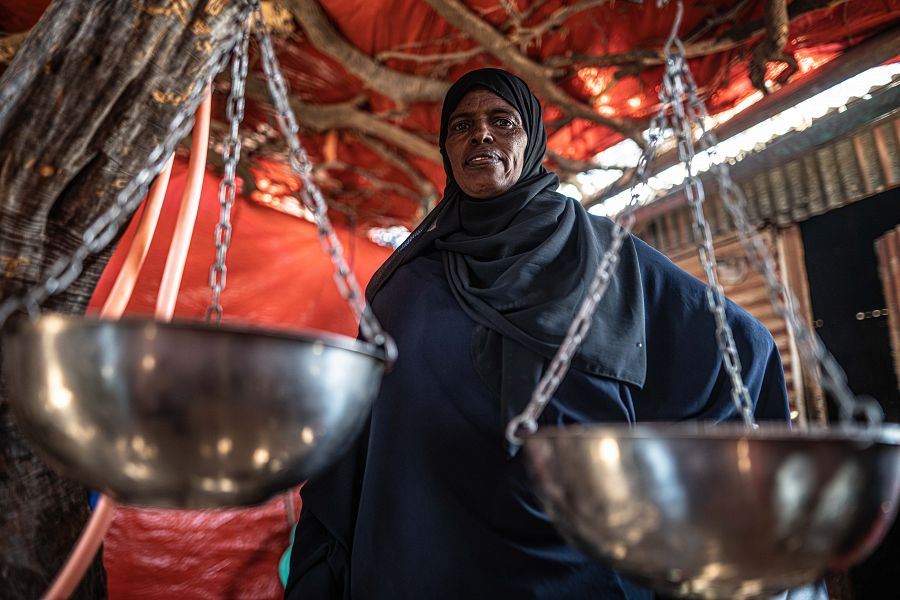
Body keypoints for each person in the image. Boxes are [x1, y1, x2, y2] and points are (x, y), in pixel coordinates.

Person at [284, 68, 822, 599]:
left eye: (503, 121)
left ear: (533, 141)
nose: (482, 135)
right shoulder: (404, 282)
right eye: (462, 126)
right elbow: (359, 429)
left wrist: (715, 502)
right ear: (446, 150)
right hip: (431, 551)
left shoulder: (602, 256)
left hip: (576, 552)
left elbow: (741, 345)